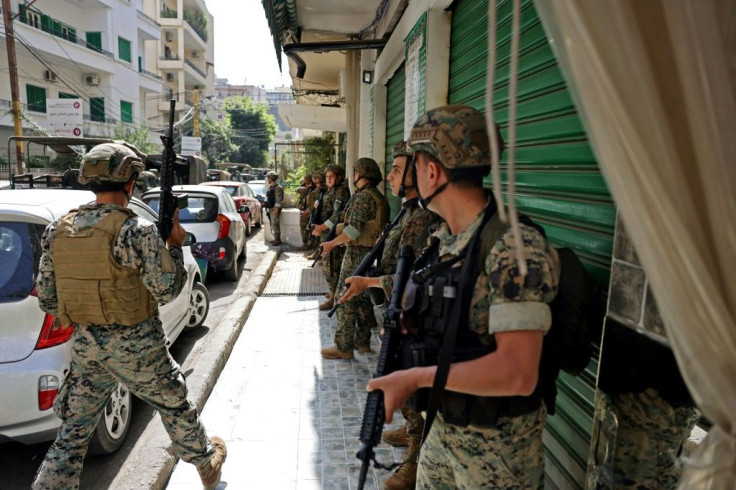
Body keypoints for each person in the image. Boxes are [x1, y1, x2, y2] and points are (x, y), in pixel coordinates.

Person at [366, 105, 561, 488]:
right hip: (444, 427)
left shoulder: (513, 247)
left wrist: (414, 378)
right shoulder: (444, 241)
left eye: (415, 164)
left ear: (432, 171)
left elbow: (519, 373)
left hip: (498, 452)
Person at [31, 143, 226, 490]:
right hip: (137, 344)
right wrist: (175, 245)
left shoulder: (58, 230)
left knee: (74, 432)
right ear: (129, 182)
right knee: (174, 403)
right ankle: (206, 463)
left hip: (88, 346)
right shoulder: (135, 230)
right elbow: (167, 290)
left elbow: (47, 298)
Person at [338, 141, 440, 490]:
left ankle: (415, 455)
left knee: (413, 379)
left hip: (414, 311)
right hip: (397, 306)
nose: (391, 176)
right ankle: (412, 429)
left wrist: (369, 280)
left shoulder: (425, 215)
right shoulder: (407, 210)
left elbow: (417, 276)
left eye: (397, 169)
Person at [319, 158, 389, 360]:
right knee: (363, 298)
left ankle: (343, 346)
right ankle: (362, 341)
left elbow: (353, 231)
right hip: (372, 254)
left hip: (357, 253)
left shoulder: (362, 198)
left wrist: (331, 244)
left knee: (346, 297)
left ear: (360, 173)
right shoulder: (379, 197)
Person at [311, 164, 351, 310]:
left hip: (333, 234)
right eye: (327, 176)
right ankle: (333, 292)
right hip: (326, 233)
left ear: (339, 177)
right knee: (328, 265)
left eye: (331, 176)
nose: (328, 179)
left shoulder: (341, 192)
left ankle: (335, 297)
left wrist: (322, 227)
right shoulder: (329, 191)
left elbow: (338, 214)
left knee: (332, 267)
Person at [305, 171, 326, 259]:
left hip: (321, 216)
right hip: (319, 215)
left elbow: (314, 205)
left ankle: (318, 254)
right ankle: (318, 253)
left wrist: (309, 211)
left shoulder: (319, 191)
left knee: (318, 236)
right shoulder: (323, 189)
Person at [265, 171, 284, 246]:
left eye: (268, 178)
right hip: (271, 208)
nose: (268, 179)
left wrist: (276, 209)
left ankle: (277, 239)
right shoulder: (271, 187)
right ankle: (276, 239)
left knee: (275, 224)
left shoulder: (278, 188)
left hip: (275, 208)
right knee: (273, 224)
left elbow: (278, 199)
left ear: (271, 178)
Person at [296, 175, 313, 250]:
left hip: (310, 212)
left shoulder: (312, 189)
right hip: (304, 212)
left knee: (310, 229)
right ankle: (305, 244)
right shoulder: (305, 188)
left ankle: (311, 245)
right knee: (303, 228)